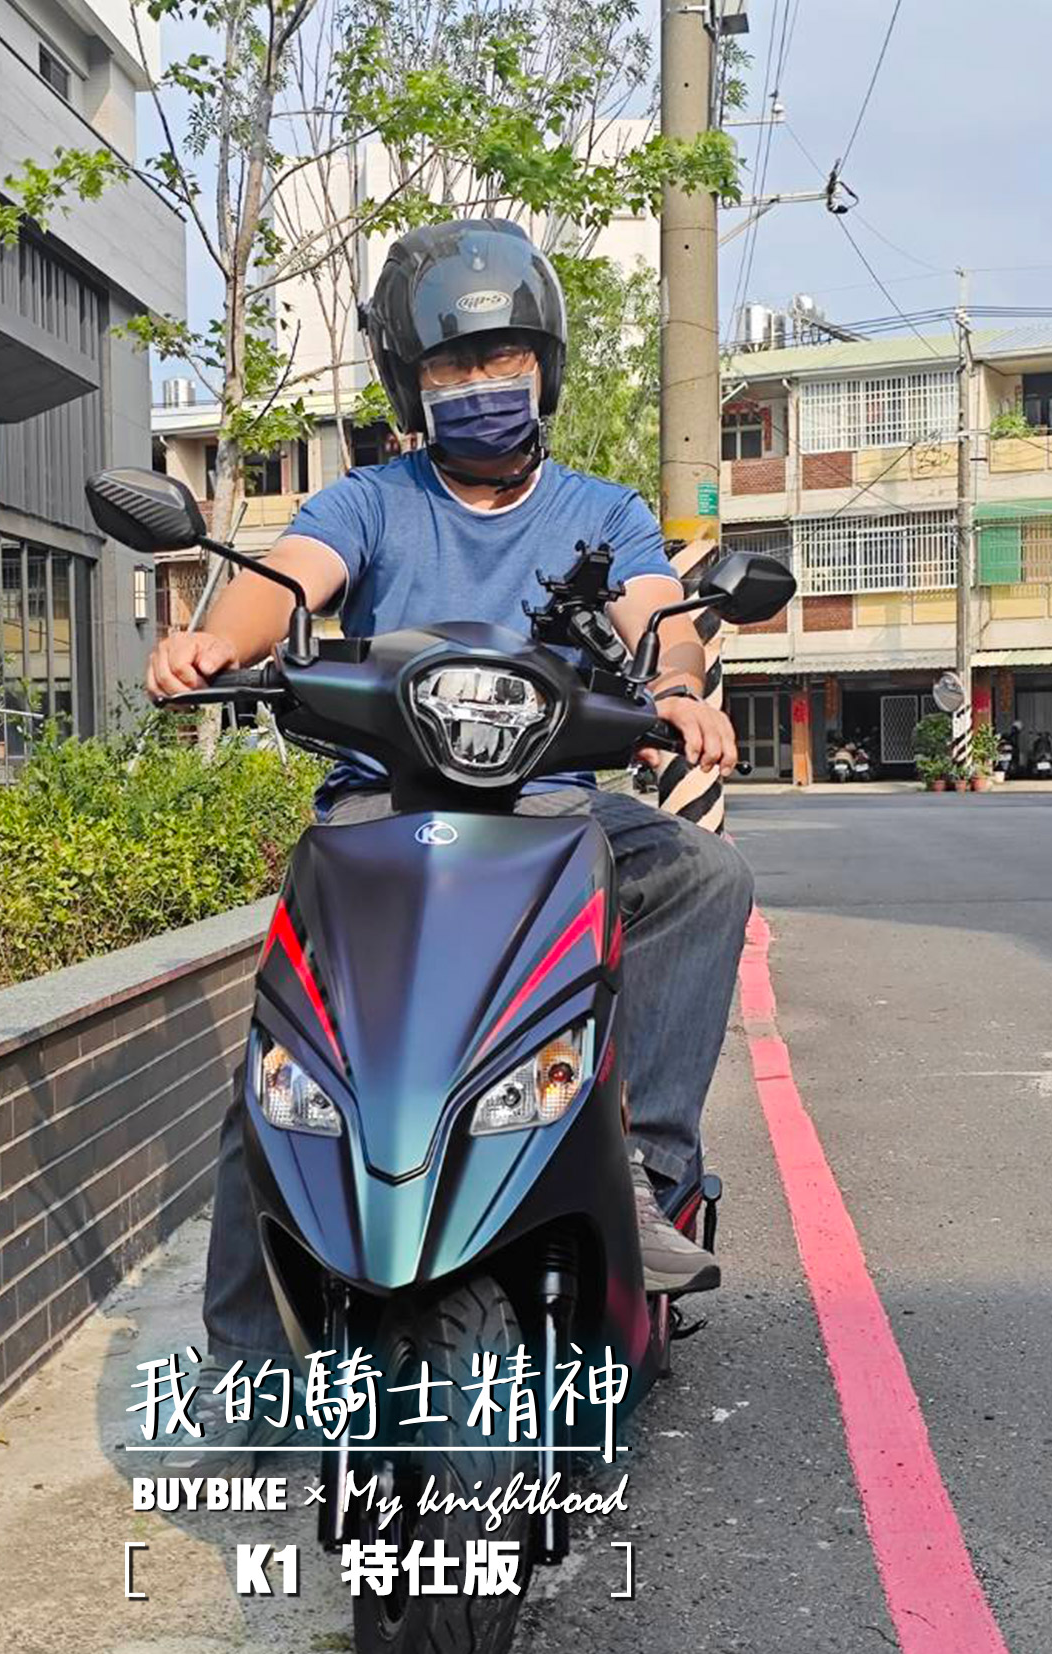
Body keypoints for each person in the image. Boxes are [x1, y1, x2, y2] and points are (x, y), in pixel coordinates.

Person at [148, 219, 753, 1457]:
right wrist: (219, 640)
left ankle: (643, 1170)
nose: (481, 384)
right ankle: (246, 1373)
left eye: (502, 359)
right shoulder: (371, 500)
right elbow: (289, 577)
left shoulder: (599, 509)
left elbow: (655, 614)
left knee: (700, 872)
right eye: (451, 367)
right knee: (288, 1077)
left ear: (544, 366)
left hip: (552, 815)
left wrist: (678, 685)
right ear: (409, 385)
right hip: (381, 818)